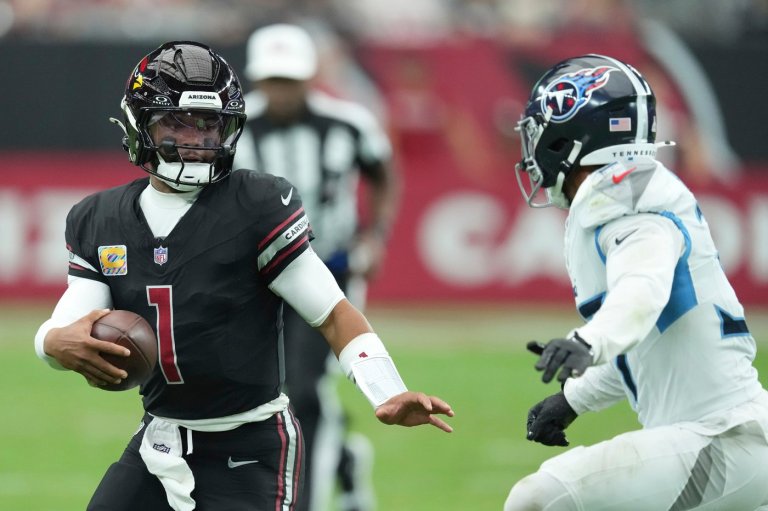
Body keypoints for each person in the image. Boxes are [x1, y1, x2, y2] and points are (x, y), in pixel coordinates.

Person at [33, 40, 452, 511]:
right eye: (177, 122)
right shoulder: (101, 219)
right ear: (139, 123)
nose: (196, 139)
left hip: (250, 448)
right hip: (160, 439)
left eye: (208, 124)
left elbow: (333, 312)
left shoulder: (255, 205)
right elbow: (68, 323)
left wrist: (387, 390)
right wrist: (51, 342)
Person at [505, 54, 768, 510]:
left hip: (722, 439)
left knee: (540, 499)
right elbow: (643, 344)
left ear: (569, 136)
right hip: (728, 444)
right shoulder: (624, 199)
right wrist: (572, 400)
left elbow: (641, 290)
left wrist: (590, 341)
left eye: (538, 133)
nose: (532, 150)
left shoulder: (633, 209)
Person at [234, 24, 399, 511]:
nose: (282, 91)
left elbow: (382, 172)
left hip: (328, 267)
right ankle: (343, 460)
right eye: (274, 80)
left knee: (305, 387)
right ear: (257, 79)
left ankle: (304, 501)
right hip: (255, 276)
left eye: (290, 79)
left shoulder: (347, 123)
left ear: (309, 77)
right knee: (262, 387)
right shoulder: (233, 127)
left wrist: (375, 235)